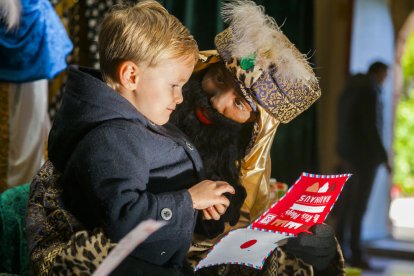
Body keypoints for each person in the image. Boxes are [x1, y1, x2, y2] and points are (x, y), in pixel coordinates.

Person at [26, 1, 235, 275]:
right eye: (174, 85)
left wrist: (196, 209)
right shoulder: (112, 138)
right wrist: (188, 201)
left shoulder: (138, 117)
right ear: (131, 76)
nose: (180, 97)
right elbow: (123, 217)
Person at [172, 1, 343, 274]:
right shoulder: (160, 107)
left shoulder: (235, 152)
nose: (218, 103)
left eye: (239, 103)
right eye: (218, 78)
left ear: (256, 125)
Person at [335, 61, 391, 269]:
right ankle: (355, 253)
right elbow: (372, 127)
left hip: (349, 156)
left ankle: (340, 251)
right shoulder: (370, 91)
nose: (386, 79)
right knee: (359, 207)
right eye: (385, 74)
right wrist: (384, 157)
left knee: (347, 205)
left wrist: (341, 152)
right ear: (378, 72)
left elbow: (342, 124)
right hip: (366, 158)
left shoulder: (350, 89)